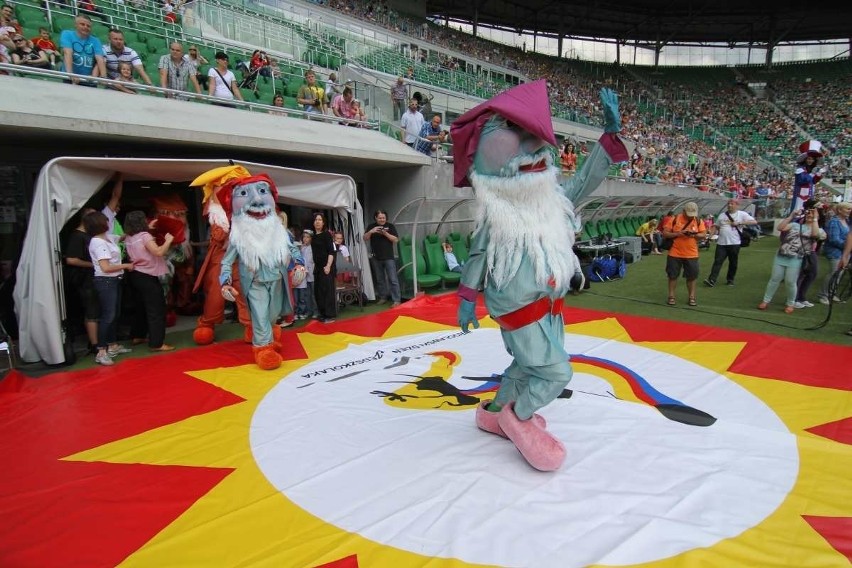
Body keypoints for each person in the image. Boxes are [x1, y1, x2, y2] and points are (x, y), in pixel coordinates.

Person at [452, 81, 629, 471]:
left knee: (525, 366)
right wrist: (467, 297)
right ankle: (520, 416)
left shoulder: (553, 200)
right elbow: (479, 253)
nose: (533, 149)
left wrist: (608, 138)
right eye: (516, 139)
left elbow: (583, 180)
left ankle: (496, 412)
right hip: (518, 305)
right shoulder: (498, 213)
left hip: (550, 305)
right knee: (555, 371)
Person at [218, 173, 303, 370]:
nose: (256, 200)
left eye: (262, 191)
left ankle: (267, 337)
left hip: (276, 280)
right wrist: (225, 282)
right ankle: (263, 349)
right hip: (255, 282)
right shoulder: (237, 236)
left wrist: (299, 265)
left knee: (273, 316)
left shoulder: (280, 231)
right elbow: (226, 262)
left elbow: (293, 249)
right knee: (260, 315)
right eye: (245, 194)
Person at [189, 165, 252, 345]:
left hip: (242, 258)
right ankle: (207, 323)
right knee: (216, 294)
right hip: (222, 258)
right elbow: (219, 235)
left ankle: (252, 325)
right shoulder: (217, 214)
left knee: (245, 292)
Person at [84, 210, 135, 366]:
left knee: (114, 313)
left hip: (114, 281)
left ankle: (112, 345)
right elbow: (105, 267)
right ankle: (101, 351)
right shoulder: (98, 242)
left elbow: (121, 237)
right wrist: (126, 265)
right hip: (106, 281)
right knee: (108, 315)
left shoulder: (107, 238)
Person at [123, 211, 175, 352]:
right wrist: (168, 240)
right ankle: (157, 343)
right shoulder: (145, 236)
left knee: (140, 307)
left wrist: (148, 228)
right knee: (156, 309)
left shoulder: (128, 237)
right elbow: (158, 252)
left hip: (135, 275)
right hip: (147, 275)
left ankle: (137, 335)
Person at [759, 207, 825, 314]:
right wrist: (791, 216)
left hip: (797, 258)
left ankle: (790, 303)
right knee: (774, 279)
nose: (809, 216)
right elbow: (780, 228)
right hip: (782, 255)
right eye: (808, 214)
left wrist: (815, 219)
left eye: (812, 215)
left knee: (791, 281)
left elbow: (815, 235)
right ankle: (766, 300)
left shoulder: (820, 230)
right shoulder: (795, 225)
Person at [63, 208, 99, 352]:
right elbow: (71, 259)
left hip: (90, 277)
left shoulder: (88, 235)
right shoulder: (77, 236)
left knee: (94, 309)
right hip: (84, 278)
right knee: (91, 310)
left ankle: (95, 341)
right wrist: (94, 264)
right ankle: (94, 344)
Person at [703, 199, 758, 287]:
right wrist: (709, 237)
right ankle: (712, 280)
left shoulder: (741, 214)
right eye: (728, 204)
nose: (729, 205)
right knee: (717, 261)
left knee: (733, 262)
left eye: (732, 204)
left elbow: (754, 221)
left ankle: (730, 279)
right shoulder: (722, 215)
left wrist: (740, 222)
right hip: (721, 243)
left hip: (734, 243)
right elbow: (716, 227)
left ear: (737, 205)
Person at [662, 202, 707, 307]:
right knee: (672, 276)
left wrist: (694, 234)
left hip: (691, 254)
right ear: (683, 211)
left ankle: (692, 297)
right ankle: (671, 296)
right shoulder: (675, 219)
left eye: (693, 214)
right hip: (675, 252)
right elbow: (665, 233)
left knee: (692, 277)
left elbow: (703, 234)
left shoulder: (698, 220)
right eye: (688, 214)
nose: (691, 217)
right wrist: (679, 233)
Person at [364, 209, 400, 306]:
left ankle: (396, 300)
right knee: (380, 279)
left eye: (383, 218)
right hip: (375, 257)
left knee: (393, 279)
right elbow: (365, 238)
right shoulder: (371, 226)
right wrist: (371, 232)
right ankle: (383, 297)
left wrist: (385, 233)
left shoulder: (390, 226)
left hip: (389, 257)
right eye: (380, 218)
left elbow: (396, 240)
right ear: (376, 218)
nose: (382, 219)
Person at [817, 202, 851, 305]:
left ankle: (831, 293)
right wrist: (848, 246)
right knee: (833, 273)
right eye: (848, 209)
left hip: (845, 251)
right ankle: (823, 295)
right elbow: (833, 239)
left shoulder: (847, 221)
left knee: (839, 274)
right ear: (840, 210)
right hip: (835, 252)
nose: (850, 211)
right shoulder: (834, 222)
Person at [59, 15, 105, 86]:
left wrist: (103, 77)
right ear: (76, 25)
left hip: (88, 79)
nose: (85, 27)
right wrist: (70, 74)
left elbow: (100, 59)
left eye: (88, 26)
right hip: (70, 77)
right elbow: (67, 53)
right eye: (82, 24)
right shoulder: (67, 34)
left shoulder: (95, 40)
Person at [309, 212, 337, 322]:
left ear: (323, 222)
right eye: (316, 220)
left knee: (327, 291)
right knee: (318, 291)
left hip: (327, 266)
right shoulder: (314, 236)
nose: (317, 222)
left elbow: (331, 252)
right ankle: (323, 313)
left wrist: (328, 266)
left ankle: (330, 315)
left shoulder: (327, 235)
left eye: (320, 220)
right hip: (318, 267)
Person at [789, 140, 826, 215]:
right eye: (809, 159)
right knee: (798, 211)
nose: (810, 161)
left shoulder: (812, 169)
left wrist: (818, 175)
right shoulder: (800, 169)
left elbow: (813, 182)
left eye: (812, 159)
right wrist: (812, 174)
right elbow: (802, 180)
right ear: (805, 159)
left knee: (808, 211)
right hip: (800, 195)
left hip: (809, 193)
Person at [295, 230, 315, 320]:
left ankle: (315, 311)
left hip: (312, 273)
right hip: (304, 274)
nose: (305, 239)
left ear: (311, 238)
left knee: (313, 293)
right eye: (304, 237)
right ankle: (308, 311)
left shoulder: (313, 247)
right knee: (306, 294)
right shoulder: (302, 248)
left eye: (308, 237)